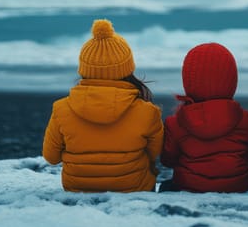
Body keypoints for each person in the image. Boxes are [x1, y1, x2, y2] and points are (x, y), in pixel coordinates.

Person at [42, 19, 163, 192]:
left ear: (84, 68)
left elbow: (51, 157)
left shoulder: (61, 109)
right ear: (128, 68)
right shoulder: (148, 112)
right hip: (133, 188)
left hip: (77, 188)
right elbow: (155, 153)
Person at [160, 43, 248, 193]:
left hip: (190, 185)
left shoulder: (176, 123)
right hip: (239, 185)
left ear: (188, 81)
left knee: (166, 187)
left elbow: (168, 160)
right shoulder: (244, 118)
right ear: (231, 80)